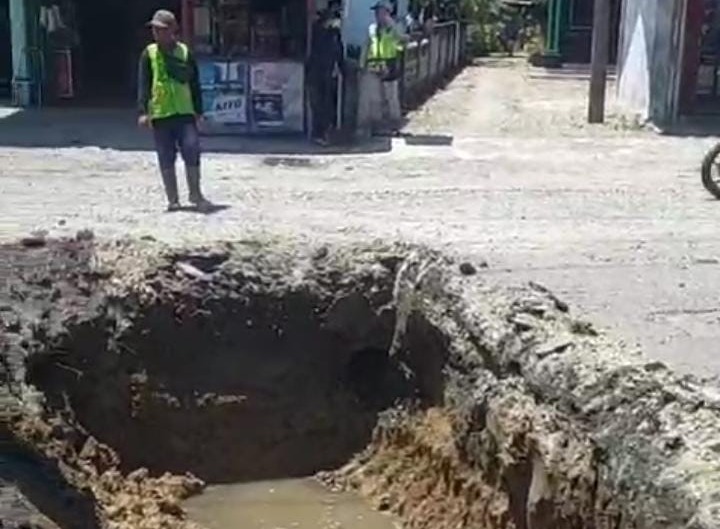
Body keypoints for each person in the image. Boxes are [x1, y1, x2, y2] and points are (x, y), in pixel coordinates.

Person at [137, 9, 211, 212]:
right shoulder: (149, 54)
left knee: (191, 149)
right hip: (161, 113)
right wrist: (143, 111)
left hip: (185, 113)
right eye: (154, 30)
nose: (157, 33)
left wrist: (199, 111)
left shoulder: (185, 53)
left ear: (172, 30)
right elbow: (144, 84)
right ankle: (173, 199)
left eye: (161, 29)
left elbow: (195, 84)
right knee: (166, 155)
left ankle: (195, 194)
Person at [363, 0, 408, 135]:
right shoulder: (372, 28)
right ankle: (378, 127)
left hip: (389, 66)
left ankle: (395, 126)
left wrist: (392, 26)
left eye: (381, 12)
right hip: (374, 65)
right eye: (376, 12)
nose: (378, 15)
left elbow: (403, 41)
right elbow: (366, 46)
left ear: (387, 13)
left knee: (391, 98)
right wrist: (362, 64)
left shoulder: (394, 28)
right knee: (375, 98)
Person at [308, 1, 345, 146]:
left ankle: (323, 133)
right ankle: (319, 133)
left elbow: (338, 50)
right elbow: (330, 48)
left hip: (327, 71)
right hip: (320, 70)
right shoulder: (321, 29)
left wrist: (341, 67)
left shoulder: (333, 32)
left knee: (326, 103)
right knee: (320, 104)